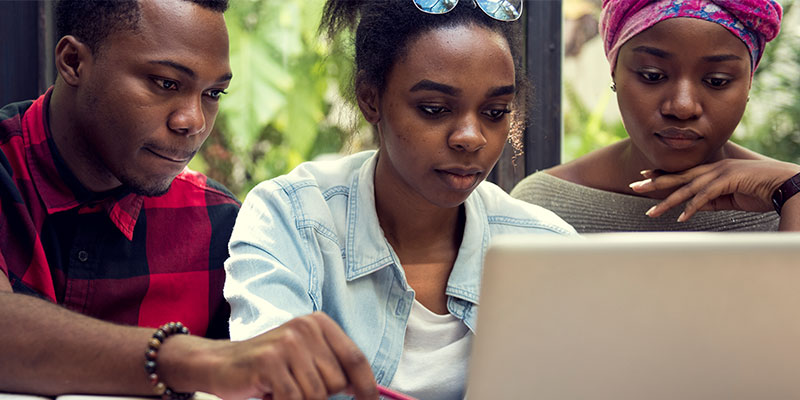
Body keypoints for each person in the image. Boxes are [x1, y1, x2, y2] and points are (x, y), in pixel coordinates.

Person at [0, 1, 378, 399]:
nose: (194, 121)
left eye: (213, 93)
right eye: (166, 83)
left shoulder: (221, 229)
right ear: (73, 61)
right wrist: (191, 360)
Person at [223, 1, 576, 399]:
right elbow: (267, 384)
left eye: (495, 112)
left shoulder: (548, 248)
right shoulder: (292, 219)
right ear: (370, 98)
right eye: (435, 109)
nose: (471, 137)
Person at [511, 0, 800, 232]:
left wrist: (793, 190)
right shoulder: (541, 207)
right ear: (614, 72)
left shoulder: (785, 198)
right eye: (652, 75)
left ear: (748, 82)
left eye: (717, 81)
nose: (682, 107)